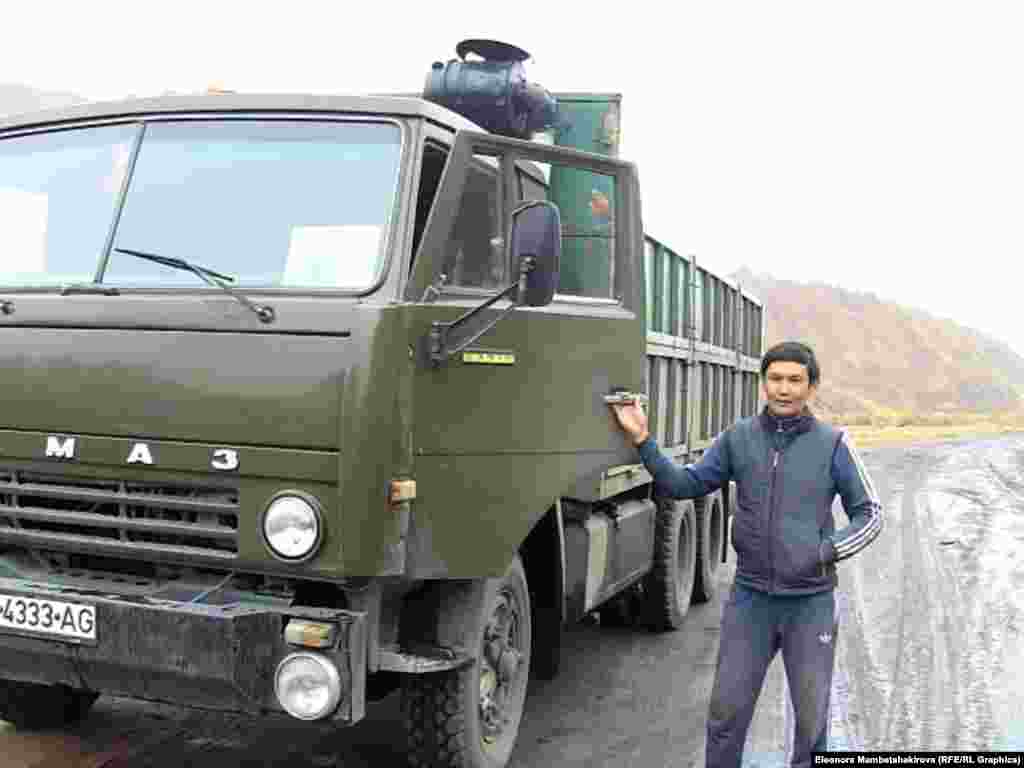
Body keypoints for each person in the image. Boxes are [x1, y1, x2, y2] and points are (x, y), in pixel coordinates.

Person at [608, 341, 883, 768]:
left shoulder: (833, 444)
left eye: (795, 380)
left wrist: (825, 551)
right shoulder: (738, 439)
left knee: (811, 728)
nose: (784, 389)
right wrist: (643, 441)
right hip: (751, 600)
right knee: (725, 716)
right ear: (763, 384)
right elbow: (685, 484)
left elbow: (870, 515)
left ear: (811, 387)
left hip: (810, 604)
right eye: (775, 379)